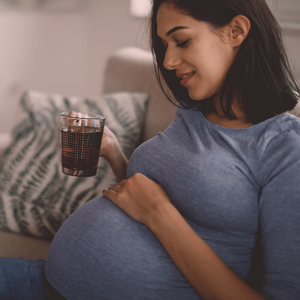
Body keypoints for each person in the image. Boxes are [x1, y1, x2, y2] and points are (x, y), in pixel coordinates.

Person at [1, 0, 300, 299]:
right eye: (164, 45)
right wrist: (116, 154)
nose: (168, 61)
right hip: (43, 281)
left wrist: (160, 214)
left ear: (236, 31)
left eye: (181, 41)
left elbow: (155, 207)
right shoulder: (192, 110)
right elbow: (150, 196)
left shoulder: (284, 148)